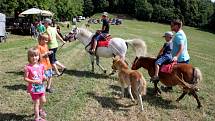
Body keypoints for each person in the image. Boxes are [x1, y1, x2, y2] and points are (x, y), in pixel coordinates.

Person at [162, 19, 190, 91]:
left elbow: (181, 47)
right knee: (174, 74)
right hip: (183, 58)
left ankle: (190, 88)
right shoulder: (180, 32)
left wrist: (176, 57)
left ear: (177, 26)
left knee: (173, 74)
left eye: (172, 25)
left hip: (180, 59)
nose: (170, 26)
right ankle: (170, 86)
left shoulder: (179, 35)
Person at [24, 47, 47, 121]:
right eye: (32, 56)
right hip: (33, 89)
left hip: (41, 87)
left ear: (39, 56)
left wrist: (44, 77)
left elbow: (42, 74)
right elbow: (25, 78)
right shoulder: (28, 67)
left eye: (36, 55)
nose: (34, 57)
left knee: (43, 101)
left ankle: (40, 110)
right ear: (29, 57)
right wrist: (34, 81)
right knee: (36, 103)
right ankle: (37, 118)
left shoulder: (41, 66)